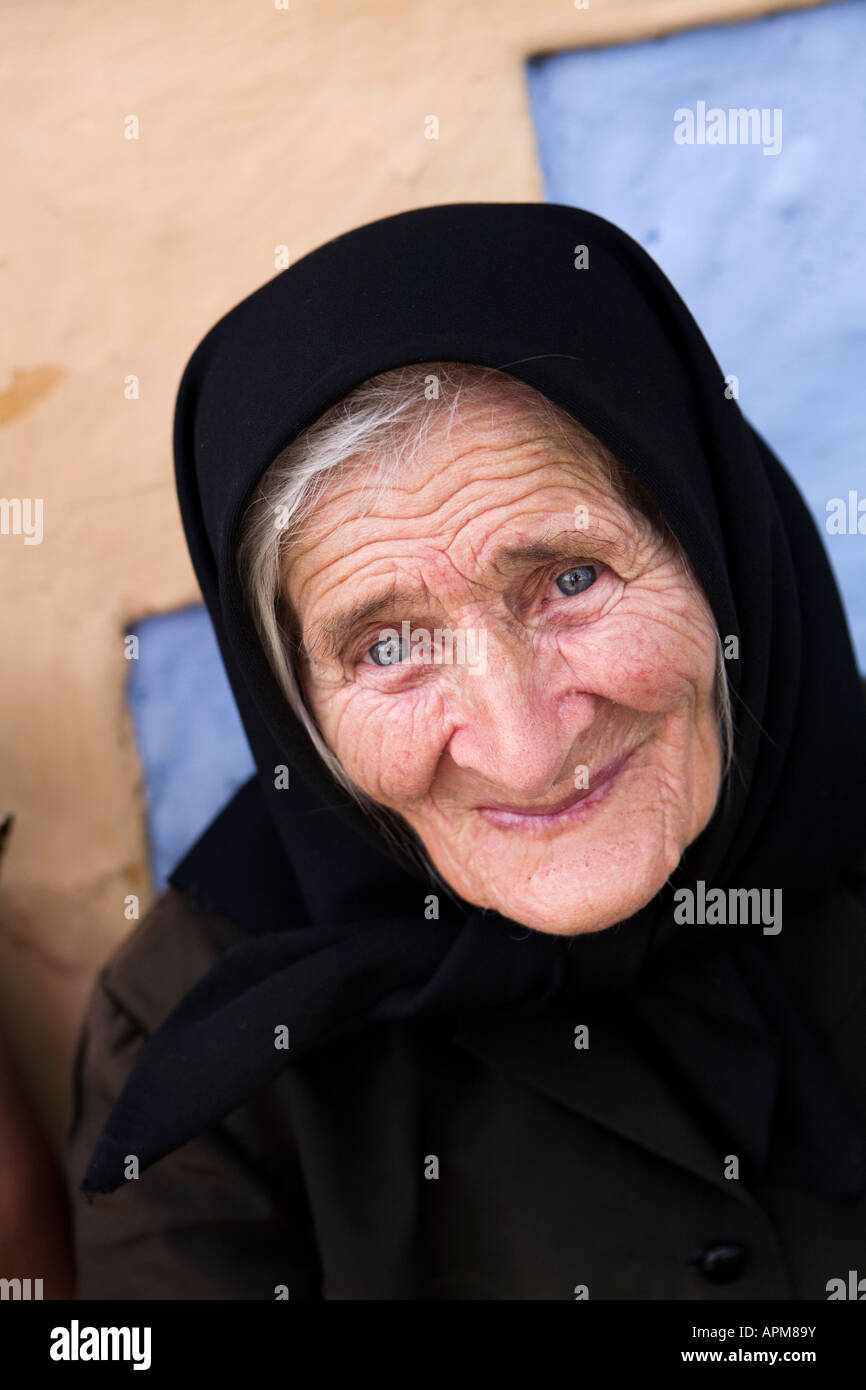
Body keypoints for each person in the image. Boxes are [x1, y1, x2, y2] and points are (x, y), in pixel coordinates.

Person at [65, 202, 866, 1300]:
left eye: (570, 579)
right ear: (285, 693)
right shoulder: (193, 1037)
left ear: (715, 539)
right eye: (386, 645)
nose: (524, 747)